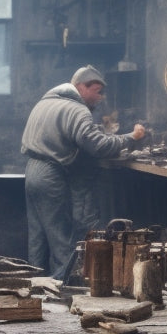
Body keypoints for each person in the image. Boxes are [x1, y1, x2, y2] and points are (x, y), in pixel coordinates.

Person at [20, 65, 146, 281]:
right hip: (50, 173)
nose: (100, 98)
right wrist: (131, 137)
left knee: (38, 235)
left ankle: (36, 286)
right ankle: (62, 285)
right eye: (97, 91)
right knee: (60, 235)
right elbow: (96, 145)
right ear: (81, 87)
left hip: (31, 170)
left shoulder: (46, 102)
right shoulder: (76, 109)